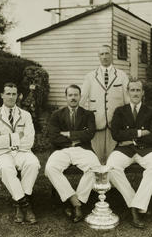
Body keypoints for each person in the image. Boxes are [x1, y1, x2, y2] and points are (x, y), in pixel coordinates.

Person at [106, 79, 152, 229]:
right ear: (128, 92)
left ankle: (136, 205)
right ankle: (135, 205)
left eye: (138, 90)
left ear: (143, 93)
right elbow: (116, 134)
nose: (135, 93)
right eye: (132, 90)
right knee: (111, 167)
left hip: (146, 149)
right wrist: (140, 132)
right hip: (124, 150)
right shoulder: (120, 111)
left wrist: (132, 140)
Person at [45, 84, 100, 223]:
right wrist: (73, 140)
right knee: (50, 168)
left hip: (82, 149)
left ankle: (79, 199)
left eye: (76, 95)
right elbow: (53, 137)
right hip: (61, 150)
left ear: (80, 97)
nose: (73, 98)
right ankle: (75, 201)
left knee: (95, 167)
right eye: (70, 95)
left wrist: (68, 134)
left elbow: (90, 134)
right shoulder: (56, 115)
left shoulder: (88, 114)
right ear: (66, 97)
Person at [0, 82, 40, 224]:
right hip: (1, 153)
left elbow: (29, 141)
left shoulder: (26, 115)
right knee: (5, 168)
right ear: (2, 95)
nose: (11, 97)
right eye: (8, 93)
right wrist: (17, 136)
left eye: (14, 94)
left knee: (33, 164)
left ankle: (19, 203)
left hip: (22, 151)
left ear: (18, 96)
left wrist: (3, 138)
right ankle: (25, 206)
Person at [80, 44, 129, 164]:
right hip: (97, 123)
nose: (105, 56)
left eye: (107, 53)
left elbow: (128, 101)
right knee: (97, 158)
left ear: (111, 55)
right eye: (102, 54)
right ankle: (99, 181)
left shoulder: (122, 75)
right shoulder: (90, 76)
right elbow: (81, 99)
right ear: (98, 56)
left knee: (114, 159)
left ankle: (110, 181)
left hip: (116, 125)